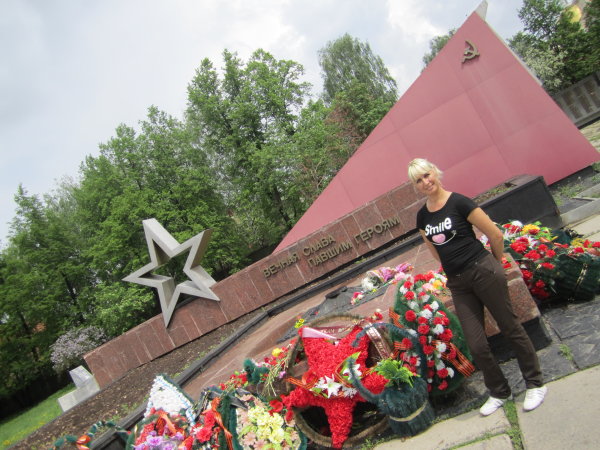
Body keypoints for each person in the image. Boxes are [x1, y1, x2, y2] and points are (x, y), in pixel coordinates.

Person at [407, 158, 547, 416]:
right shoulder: (423, 216)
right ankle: (499, 391)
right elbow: (435, 251)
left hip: (483, 270)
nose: (425, 182)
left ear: (435, 172)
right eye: (418, 180)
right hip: (458, 283)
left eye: (427, 175)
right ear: (415, 186)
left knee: (511, 328)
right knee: (476, 344)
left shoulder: (459, 202)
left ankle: (535, 383)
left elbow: (495, 234)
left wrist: (495, 263)